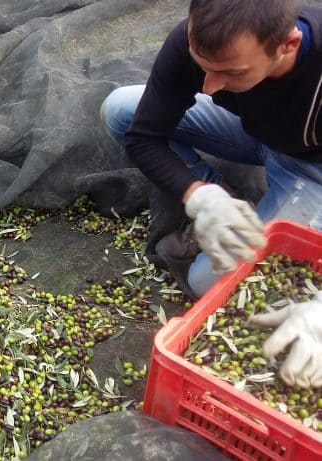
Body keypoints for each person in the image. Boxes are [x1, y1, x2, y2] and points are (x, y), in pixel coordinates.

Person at [100, 0, 321, 388]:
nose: (209, 86)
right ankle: (228, 195)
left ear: (288, 44)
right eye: (203, 66)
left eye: (230, 72)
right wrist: (198, 194)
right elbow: (143, 136)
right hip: (252, 132)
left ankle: (277, 205)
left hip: (309, 167)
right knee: (120, 109)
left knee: (205, 281)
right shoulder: (198, 40)